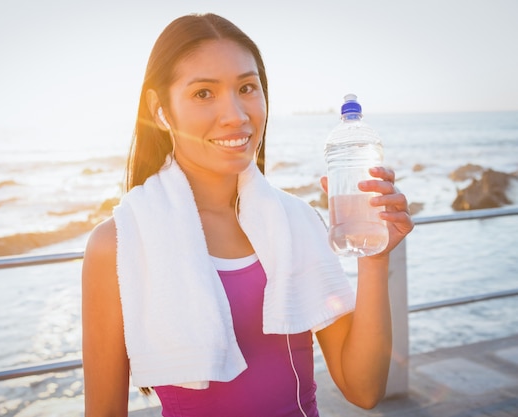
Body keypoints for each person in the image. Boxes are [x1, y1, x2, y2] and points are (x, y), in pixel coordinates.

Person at [82, 12, 414, 417]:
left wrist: (375, 256)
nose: (236, 114)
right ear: (159, 109)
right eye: (204, 93)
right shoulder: (117, 244)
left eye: (247, 87)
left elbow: (363, 389)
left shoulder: (297, 223)